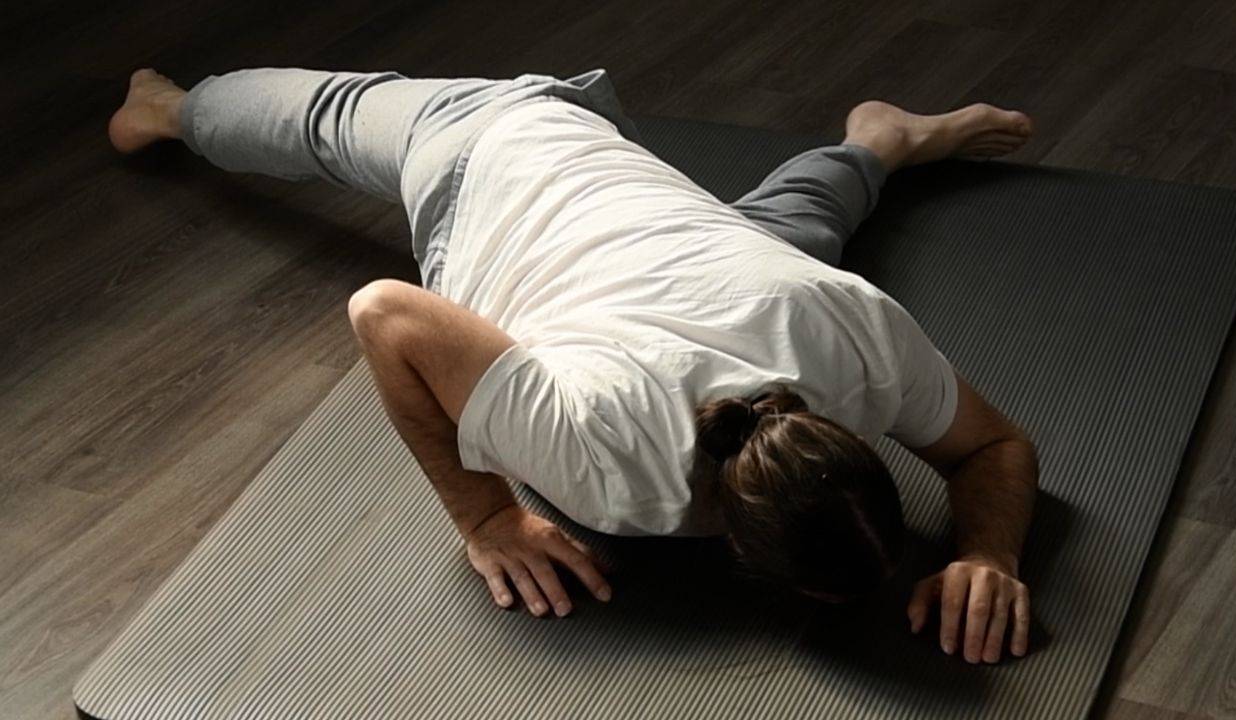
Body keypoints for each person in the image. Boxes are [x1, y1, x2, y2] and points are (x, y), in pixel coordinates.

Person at [109, 65, 1040, 664]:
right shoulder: (606, 462)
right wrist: (485, 515)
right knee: (325, 120)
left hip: (714, 257)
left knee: (789, 237)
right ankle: (167, 105)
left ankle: (878, 139)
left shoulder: (853, 331)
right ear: (728, 540)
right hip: (488, 146)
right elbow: (384, 313)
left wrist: (988, 550)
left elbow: (993, 445)